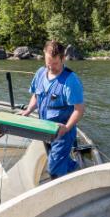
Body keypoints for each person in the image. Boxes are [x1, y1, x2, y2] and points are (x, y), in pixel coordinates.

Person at [21, 40, 85, 179]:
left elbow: (79, 110)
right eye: (48, 63)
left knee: (53, 169)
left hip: (63, 133)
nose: (50, 67)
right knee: (54, 157)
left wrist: (67, 127)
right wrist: (28, 111)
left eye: (55, 63)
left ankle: (62, 185)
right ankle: (73, 167)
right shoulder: (40, 73)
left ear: (63, 58)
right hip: (45, 129)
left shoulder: (71, 81)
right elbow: (36, 96)